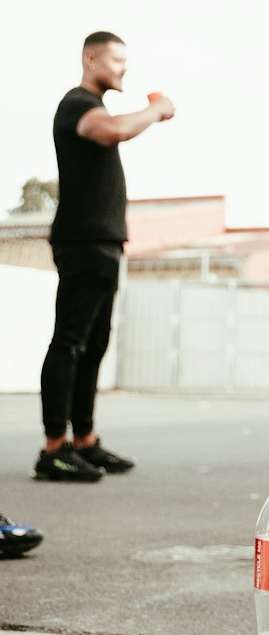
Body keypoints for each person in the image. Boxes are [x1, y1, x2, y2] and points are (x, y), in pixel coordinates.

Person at [35, 32, 175, 483]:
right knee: (70, 342)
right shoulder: (77, 103)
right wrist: (156, 109)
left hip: (103, 242)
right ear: (89, 57)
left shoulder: (91, 105)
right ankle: (53, 448)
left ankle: (84, 442)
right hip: (82, 242)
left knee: (93, 345)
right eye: (116, 59)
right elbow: (113, 130)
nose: (123, 69)